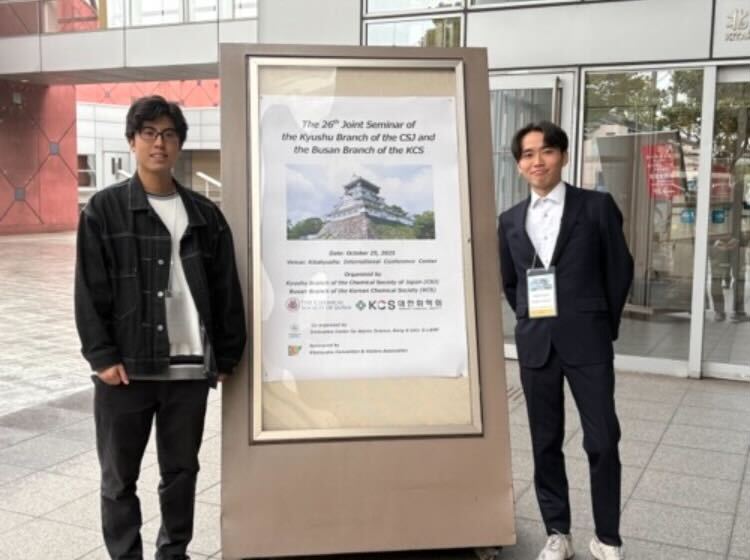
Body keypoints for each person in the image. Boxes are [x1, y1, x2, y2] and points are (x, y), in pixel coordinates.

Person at [75, 95, 246, 560]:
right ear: (132, 141)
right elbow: (89, 289)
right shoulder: (104, 210)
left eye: (169, 134)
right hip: (125, 371)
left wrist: (227, 354)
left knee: (181, 474)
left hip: (188, 373)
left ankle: (174, 553)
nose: (159, 142)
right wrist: (102, 357)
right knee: (118, 478)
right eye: (149, 133)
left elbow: (226, 289)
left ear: (179, 144)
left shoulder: (205, 214)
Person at [498, 121, 633, 560]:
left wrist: (601, 323)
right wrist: (529, 318)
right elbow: (512, 283)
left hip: (588, 340)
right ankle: (558, 532)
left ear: (564, 156)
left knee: (602, 439)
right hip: (536, 345)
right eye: (528, 154)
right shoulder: (509, 221)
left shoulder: (596, 206)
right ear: (519, 165)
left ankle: (607, 537)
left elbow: (619, 270)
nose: (537, 161)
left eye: (547, 151)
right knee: (545, 441)